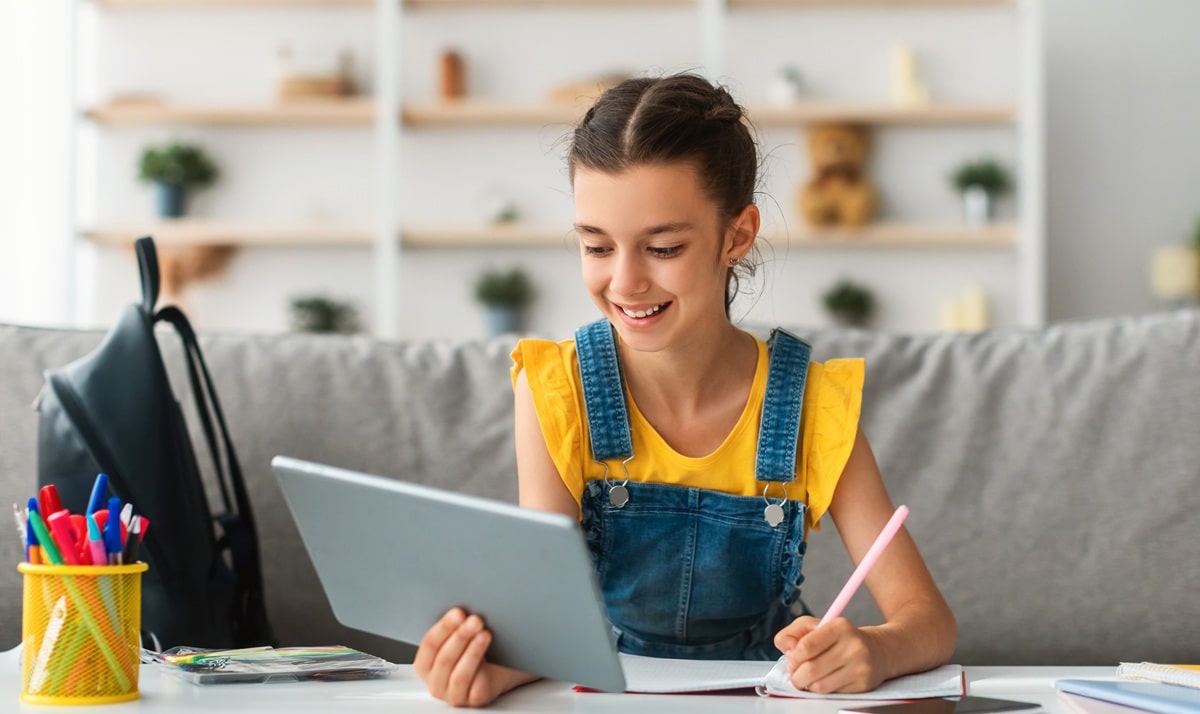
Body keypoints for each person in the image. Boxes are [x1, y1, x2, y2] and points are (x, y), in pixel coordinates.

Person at [414, 72, 957, 708]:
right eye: (596, 245)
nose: (625, 280)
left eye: (663, 247)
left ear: (738, 236)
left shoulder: (810, 403)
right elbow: (551, 620)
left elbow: (929, 623)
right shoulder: (555, 389)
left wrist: (873, 650)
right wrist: (490, 666)